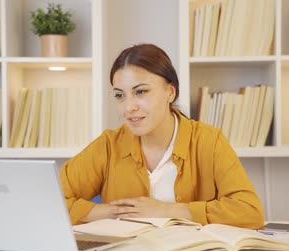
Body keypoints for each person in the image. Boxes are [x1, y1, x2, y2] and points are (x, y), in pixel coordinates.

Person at [60, 43, 264, 229]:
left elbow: (250, 212)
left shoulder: (209, 141)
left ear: (170, 92)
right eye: (120, 95)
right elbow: (49, 201)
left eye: (140, 92)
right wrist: (112, 212)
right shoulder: (108, 145)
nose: (129, 107)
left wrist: (167, 211)